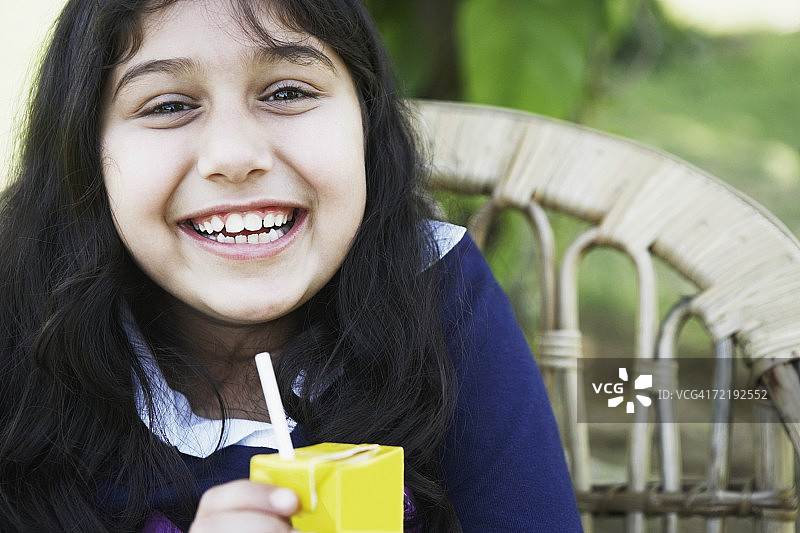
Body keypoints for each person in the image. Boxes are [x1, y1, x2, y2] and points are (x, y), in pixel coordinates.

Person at [0, 0, 581, 531]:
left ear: (365, 122)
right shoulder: (19, 331)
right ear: (87, 154)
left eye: (285, 93)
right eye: (170, 105)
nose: (234, 156)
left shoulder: (437, 289)